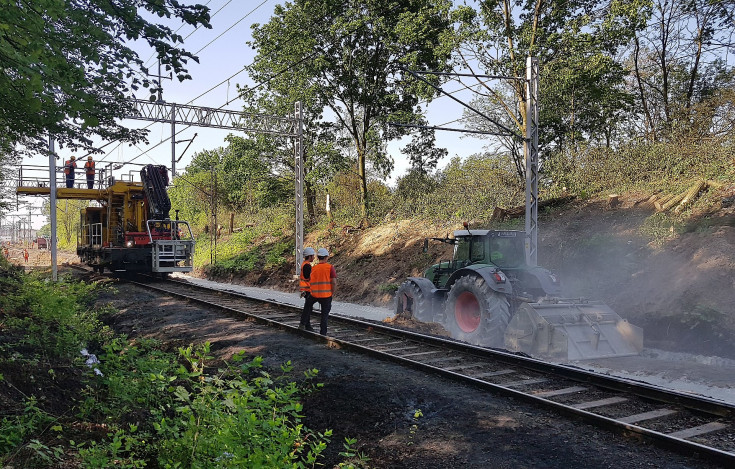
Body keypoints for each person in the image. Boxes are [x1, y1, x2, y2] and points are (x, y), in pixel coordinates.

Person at [300, 248, 336, 335]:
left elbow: (310, 280)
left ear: (318, 257)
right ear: (326, 257)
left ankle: (303, 324)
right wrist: (332, 293)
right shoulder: (330, 267)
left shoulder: (314, 268)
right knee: (324, 315)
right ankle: (323, 333)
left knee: (307, 306)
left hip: (314, 294)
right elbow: (334, 282)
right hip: (326, 295)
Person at [298, 247, 316, 331]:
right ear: (310, 256)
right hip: (308, 290)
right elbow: (309, 277)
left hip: (306, 290)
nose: (314, 257)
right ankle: (303, 324)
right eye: (313, 256)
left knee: (308, 307)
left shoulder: (305, 264)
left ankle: (307, 325)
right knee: (308, 308)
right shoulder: (307, 266)